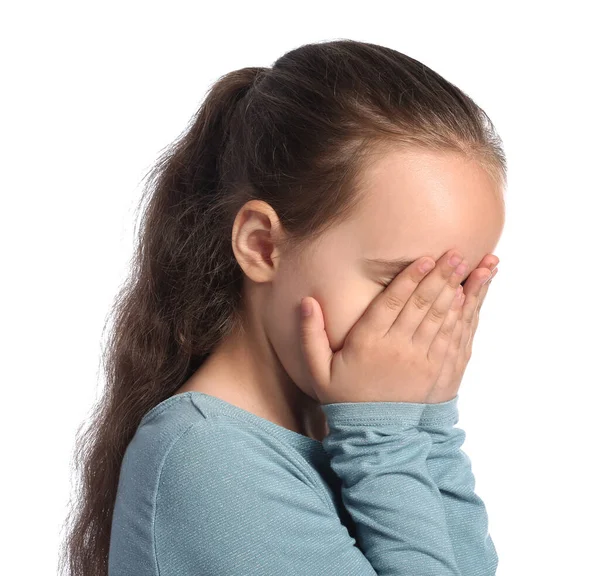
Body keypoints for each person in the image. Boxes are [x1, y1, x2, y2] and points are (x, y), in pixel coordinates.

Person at [60, 39, 504, 576]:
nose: (429, 322)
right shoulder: (209, 459)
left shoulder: (360, 431)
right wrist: (385, 433)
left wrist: (427, 421)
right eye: (398, 282)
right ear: (262, 246)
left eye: (456, 287)